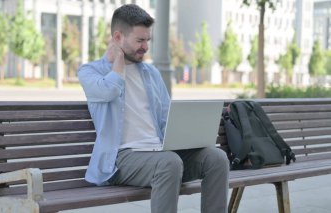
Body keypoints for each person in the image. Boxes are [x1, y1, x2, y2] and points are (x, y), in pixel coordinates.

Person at [78, 4, 229, 213]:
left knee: (216, 158)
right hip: (121, 159)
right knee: (168, 163)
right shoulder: (90, 71)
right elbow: (109, 91)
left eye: (148, 40)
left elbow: (167, 117)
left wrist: (189, 135)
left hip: (160, 152)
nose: (145, 47)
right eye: (140, 40)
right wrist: (119, 61)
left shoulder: (151, 74)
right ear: (118, 38)